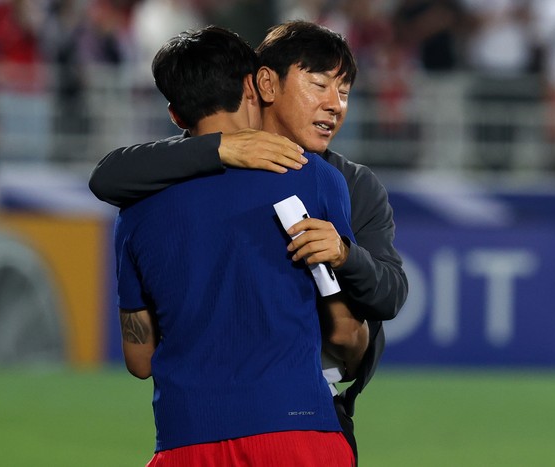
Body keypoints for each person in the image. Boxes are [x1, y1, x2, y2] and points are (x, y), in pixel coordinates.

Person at [90, 20, 409, 465]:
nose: (334, 104)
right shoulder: (319, 182)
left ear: (177, 114)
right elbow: (346, 335)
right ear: (260, 84)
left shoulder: (142, 205)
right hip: (297, 422)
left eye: (345, 92)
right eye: (318, 84)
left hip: (188, 432)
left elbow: (390, 292)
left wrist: (345, 254)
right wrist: (221, 148)